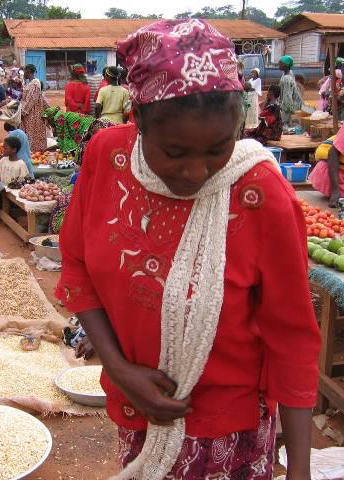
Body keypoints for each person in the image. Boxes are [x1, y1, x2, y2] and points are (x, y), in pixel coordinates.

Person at [56, 19, 320, 480]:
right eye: (175, 153)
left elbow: (292, 338)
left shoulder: (259, 194)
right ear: (137, 122)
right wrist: (119, 369)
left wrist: (300, 471)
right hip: (137, 414)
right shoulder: (108, 157)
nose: (198, 172)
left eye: (218, 149)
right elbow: (78, 266)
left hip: (226, 434)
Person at [20, 64, 48, 152]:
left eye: (24, 71)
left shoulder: (35, 83)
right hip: (29, 115)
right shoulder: (31, 83)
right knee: (29, 135)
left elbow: (31, 100)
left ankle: (36, 153)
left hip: (33, 115)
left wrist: (22, 112)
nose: (23, 73)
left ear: (28, 71)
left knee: (33, 135)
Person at [278, 55, 302, 127]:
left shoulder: (287, 78)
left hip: (291, 103)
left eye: (280, 63)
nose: (278, 65)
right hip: (294, 102)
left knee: (286, 124)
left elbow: (287, 96)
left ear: (286, 65)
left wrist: (285, 108)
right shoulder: (287, 74)